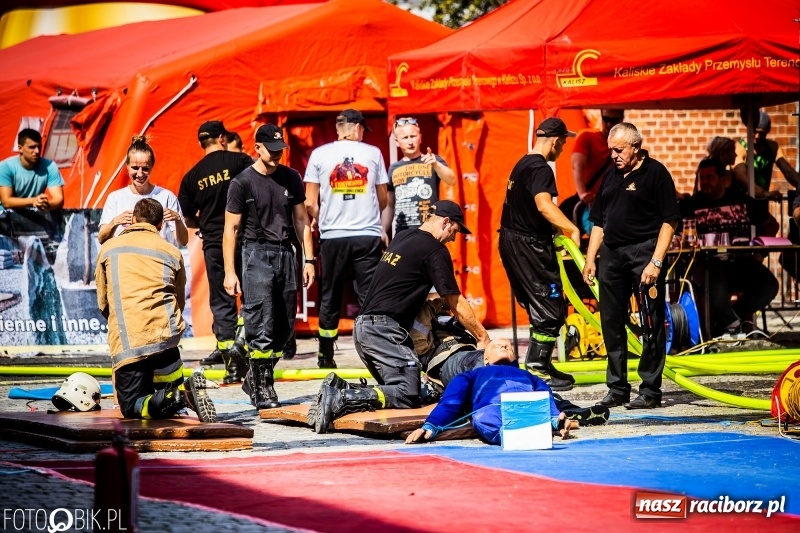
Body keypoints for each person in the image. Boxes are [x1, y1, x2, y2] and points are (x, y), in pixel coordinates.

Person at [309, 200, 491, 434]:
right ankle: (340, 397)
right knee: (408, 391)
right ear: (445, 222)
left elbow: (403, 286)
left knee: (395, 390)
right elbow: (456, 300)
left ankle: (342, 388)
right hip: (384, 331)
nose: (454, 238)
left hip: (365, 329)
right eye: (455, 231)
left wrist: (436, 304)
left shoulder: (403, 237)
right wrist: (482, 337)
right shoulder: (435, 250)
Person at [583, 122, 680, 410]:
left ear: (636, 147)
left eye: (619, 150)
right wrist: (590, 259)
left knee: (649, 322)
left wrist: (656, 262)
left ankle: (650, 390)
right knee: (611, 321)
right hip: (612, 254)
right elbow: (598, 221)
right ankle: (617, 388)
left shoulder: (656, 174)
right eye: (611, 150)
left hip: (644, 252)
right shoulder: (610, 176)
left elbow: (669, 221)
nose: (613, 155)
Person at [95, 198, 216, 422]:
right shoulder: (172, 252)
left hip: (130, 343)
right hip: (167, 342)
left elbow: (103, 301)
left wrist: (119, 324)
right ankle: (177, 393)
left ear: (132, 220)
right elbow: (179, 301)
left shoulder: (108, 249)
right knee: (161, 400)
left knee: (132, 406)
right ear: (160, 224)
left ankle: (180, 397)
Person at [223, 123, 315, 410]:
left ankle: (253, 377)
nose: (277, 155)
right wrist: (230, 271)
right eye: (271, 150)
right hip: (256, 255)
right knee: (261, 322)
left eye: (280, 150)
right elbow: (230, 229)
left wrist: (308, 260)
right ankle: (264, 388)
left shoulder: (291, 178)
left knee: (285, 327)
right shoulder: (242, 183)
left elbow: (302, 221)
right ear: (257, 148)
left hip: (287, 253)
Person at [499, 117, 581, 391]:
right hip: (528, 246)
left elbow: (527, 209)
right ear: (556, 141)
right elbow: (544, 206)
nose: (563, 148)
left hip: (512, 242)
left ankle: (541, 363)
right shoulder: (541, 168)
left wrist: (551, 232)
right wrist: (571, 229)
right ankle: (537, 367)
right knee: (550, 304)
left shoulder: (521, 164)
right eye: (564, 142)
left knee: (541, 304)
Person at [304, 108, 389, 368]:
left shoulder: (319, 154)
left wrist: (321, 216)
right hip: (366, 234)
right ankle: (373, 352)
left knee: (330, 294)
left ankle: (325, 355)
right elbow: (383, 198)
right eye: (362, 129)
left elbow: (309, 202)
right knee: (368, 295)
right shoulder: (373, 153)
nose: (364, 134)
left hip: (333, 236)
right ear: (355, 128)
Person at [178, 121, 254, 383]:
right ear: (222, 138)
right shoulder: (241, 162)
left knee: (222, 302)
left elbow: (187, 219)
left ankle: (231, 365)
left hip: (213, 244)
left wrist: (208, 226)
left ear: (202, 143)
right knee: (252, 296)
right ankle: (247, 350)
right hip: (245, 239)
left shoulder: (191, 177)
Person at [680, 158, 779, 336]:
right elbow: (673, 229)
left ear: (723, 179)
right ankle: (730, 325)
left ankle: (727, 322)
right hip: (706, 265)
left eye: (710, 177)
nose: (705, 182)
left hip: (740, 264)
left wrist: (760, 253)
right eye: (702, 178)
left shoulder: (741, 201)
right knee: (714, 274)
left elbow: (772, 225)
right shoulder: (690, 205)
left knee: (769, 285)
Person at [405, 344, 570, 446]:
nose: (504, 346)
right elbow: (451, 401)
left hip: (527, 408)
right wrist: (430, 426)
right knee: (482, 417)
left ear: (515, 359)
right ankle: (512, 435)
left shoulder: (529, 376)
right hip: (492, 410)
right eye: (496, 346)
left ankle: (545, 427)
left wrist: (555, 418)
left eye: (508, 346)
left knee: (539, 410)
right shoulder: (472, 375)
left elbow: (545, 397)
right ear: (486, 359)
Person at [98, 136, 188, 247]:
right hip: (127, 262)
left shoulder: (167, 197)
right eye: (135, 168)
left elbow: (183, 241)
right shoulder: (115, 198)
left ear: (152, 167)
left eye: (145, 168)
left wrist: (178, 219)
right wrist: (115, 222)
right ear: (127, 166)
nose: (140, 174)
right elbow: (101, 239)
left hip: (157, 261)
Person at [383, 116, 456, 237]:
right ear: (397, 141)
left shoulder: (432, 160)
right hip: (403, 232)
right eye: (405, 138)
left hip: (429, 230)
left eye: (413, 136)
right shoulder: (393, 168)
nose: (410, 141)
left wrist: (436, 165)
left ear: (420, 137)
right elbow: (390, 204)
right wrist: (383, 229)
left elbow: (452, 180)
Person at [733, 110, 799, 199]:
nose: (757, 136)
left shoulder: (772, 147)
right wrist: (764, 193)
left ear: (767, 132)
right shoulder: (740, 148)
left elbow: (788, 172)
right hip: (742, 204)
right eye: (755, 132)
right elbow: (741, 177)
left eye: (762, 133)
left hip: (761, 203)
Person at [0, 129, 64, 214]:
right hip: (5, 218)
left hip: (33, 216)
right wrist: (33, 201)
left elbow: (59, 199)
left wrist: (45, 205)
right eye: (32, 147)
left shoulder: (50, 166)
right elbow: (6, 202)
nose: (37, 151)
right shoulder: (5, 167)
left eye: (39, 147)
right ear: (20, 148)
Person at [571, 109, 624, 206]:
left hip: (614, 203)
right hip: (590, 202)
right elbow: (577, 166)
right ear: (601, 117)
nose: (608, 124)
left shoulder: (625, 144)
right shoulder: (587, 137)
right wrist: (582, 194)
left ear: (621, 120)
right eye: (605, 119)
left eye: (613, 121)